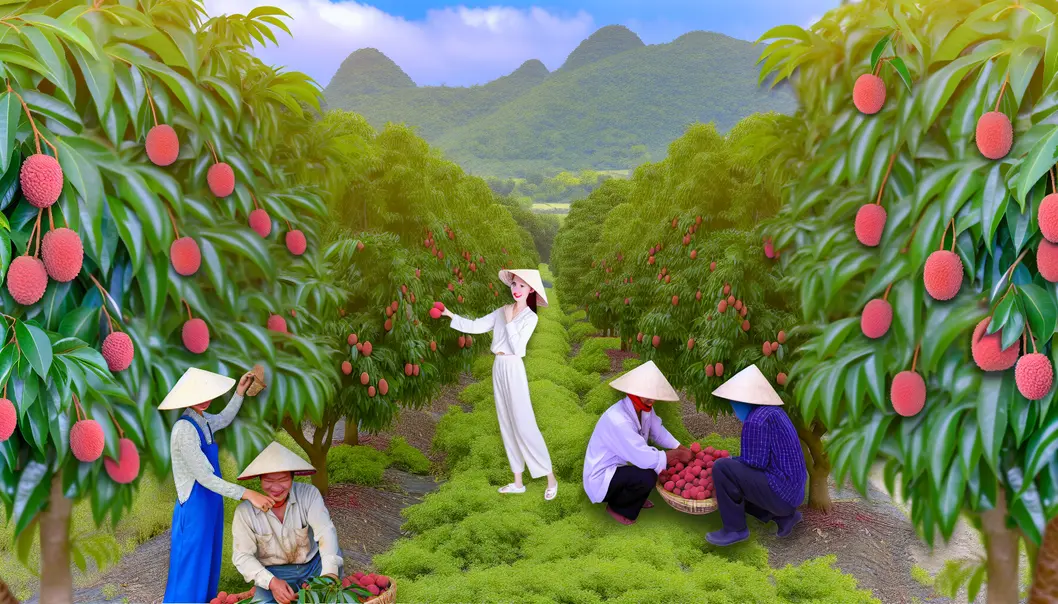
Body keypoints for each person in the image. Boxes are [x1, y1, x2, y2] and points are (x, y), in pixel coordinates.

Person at [441, 268, 559, 500]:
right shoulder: (501, 310)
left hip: (514, 366)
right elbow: (476, 326)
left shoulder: (530, 318)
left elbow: (518, 348)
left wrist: (509, 321)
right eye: (514, 284)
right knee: (506, 422)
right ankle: (518, 482)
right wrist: (450, 315)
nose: (516, 289)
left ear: (531, 290)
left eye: (522, 286)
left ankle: (550, 478)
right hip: (499, 366)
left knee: (524, 424)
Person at [162, 367, 276, 603]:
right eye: (198, 395)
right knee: (190, 566)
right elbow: (205, 478)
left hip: (211, 501)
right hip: (195, 505)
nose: (205, 400)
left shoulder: (201, 420)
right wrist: (247, 493)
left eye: (206, 393)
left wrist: (240, 392)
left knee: (208, 560)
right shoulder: (184, 429)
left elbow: (223, 419)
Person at [705, 364, 806, 546]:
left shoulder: (756, 420)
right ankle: (785, 518)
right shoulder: (775, 412)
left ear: (745, 400)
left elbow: (753, 463)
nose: (733, 406)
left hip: (781, 495)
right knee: (734, 477)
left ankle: (735, 529)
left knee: (722, 469)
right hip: (794, 493)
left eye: (734, 401)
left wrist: (727, 463)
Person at [232, 441, 344, 604]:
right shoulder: (245, 512)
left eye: (283, 479)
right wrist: (271, 582)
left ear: (292, 477)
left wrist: (329, 574)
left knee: (330, 598)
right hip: (275, 573)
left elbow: (325, 531)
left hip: (314, 565)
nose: (276, 487)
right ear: (260, 479)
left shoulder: (308, 494)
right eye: (269, 480)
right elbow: (242, 556)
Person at [582, 361, 694, 525]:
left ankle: (632, 498)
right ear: (634, 393)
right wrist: (676, 455)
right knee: (647, 476)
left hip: (618, 468)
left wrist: (680, 447)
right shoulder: (618, 420)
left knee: (653, 469)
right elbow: (643, 457)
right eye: (647, 395)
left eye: (653, 395)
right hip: (601, 477)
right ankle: (617, 507)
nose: (652, 400)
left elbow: (658, 431)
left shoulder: (644, 409)